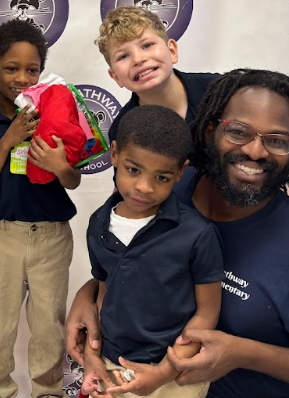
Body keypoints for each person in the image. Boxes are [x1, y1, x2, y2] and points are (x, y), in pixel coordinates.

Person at [66, 69, 289, 398]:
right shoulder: (164, 187)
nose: (255, 151)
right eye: (238, 131)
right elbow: (131, 262)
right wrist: (88, 294)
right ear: (210, 130)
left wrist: (244, 354)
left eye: (277, 140)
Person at [0, 19, 81, 398]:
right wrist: (8, 139)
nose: (22, 78)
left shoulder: (54, 114)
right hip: (4, 236)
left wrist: (60, 165)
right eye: (11, 68)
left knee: (49, 326)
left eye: (33, 70)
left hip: (51, 234)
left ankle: (48, 391)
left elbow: (73, 180)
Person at [83, 105, 222, 398]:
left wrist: (163, 373)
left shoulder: (197, 234)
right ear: (115, 154)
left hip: (176, 374)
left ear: (181, 171)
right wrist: (93, 354)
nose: (144, 187)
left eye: (161, 177)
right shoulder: (97, 223)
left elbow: (207, 312)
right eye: (133, 170)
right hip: (114, 366)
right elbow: (104, 295)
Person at [95, 7, 219, 144]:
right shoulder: (122, 132)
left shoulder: (220, 91)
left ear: (172, 51)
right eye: (123, 56)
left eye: (147, 45)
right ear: (116, 77)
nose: (138, 59)